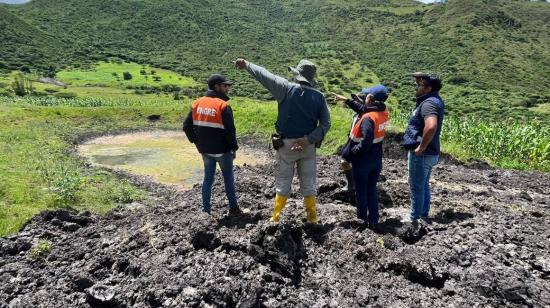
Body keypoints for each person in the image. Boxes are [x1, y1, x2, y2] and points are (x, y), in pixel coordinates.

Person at [235, 58, 331, 224]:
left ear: (297, 75)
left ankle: (276, 218)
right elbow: (326, 124)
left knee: (283, 181)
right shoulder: (319, 97)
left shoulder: (285, 88)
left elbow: (265, 75)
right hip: (308, 147)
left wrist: (247, 65)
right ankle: (312, 219)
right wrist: (309, 139)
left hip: (286, 146)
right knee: (308, 183)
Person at [183, 74, 240, 215]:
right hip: (222, 151)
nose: (227, 88)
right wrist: (234, 148)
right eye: (225, 86)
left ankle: (206, 211)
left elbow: (186, 126)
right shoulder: (223, 106)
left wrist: (197, 143)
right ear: (216, 87)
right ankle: (234, 208)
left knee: (208, 179)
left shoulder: (197, 103)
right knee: (228, 178)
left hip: (205, 151)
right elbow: (230, 131)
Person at [334, 85, 389, 226]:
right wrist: (346, 100)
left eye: (366, 96)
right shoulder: (382, 112)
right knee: (371, 190)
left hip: (363, 162)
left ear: (370, 98)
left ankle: (362, 220)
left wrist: (354, 152)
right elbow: (363, 109)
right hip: (376, 160)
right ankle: (374, 220)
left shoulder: (367, 119)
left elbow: (366, 142)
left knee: (361, 192)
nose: (364, 98)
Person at [403, 73, 445, 222]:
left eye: (419, 85)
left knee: (416, 186)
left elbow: (431, 126)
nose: (416, 87)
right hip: (431, 152)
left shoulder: (429, 104)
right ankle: (423, 214)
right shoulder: (434, 99)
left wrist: (421, 147)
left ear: (428, 88)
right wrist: (420, 77)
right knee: (423, 184)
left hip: (423, 153)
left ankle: (414, 218)